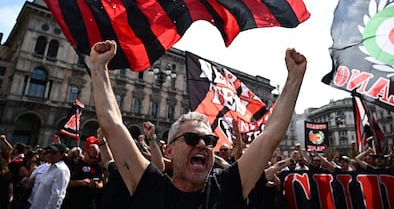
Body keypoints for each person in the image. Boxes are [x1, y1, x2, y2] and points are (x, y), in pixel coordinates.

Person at [89, 40, 306, 208]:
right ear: (169, 150)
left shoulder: (228, 186)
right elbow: (113, 125)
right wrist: (99, 68)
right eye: (192, 138)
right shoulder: (149, 185)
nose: (202, 144)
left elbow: (270, 135)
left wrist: (294, 77)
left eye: (209, 140)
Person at [30, 143, 70, 209]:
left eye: (54, 153)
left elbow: (57, 195)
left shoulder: (62, 170)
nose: (50, 155)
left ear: (62, 155)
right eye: (49, 152)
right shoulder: (49, 167)